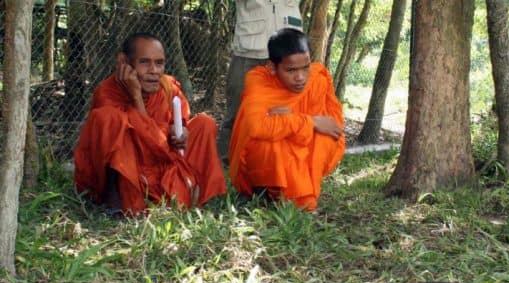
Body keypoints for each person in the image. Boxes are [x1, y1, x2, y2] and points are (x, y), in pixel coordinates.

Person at [73, 32, 226, 215]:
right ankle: (114, 202)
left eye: (159, 63)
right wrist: (137, 97)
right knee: (108, 118)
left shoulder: (168, 86)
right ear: (124, 62)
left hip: (165, 161)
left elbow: (179, 121)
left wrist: (182, 131)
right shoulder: (107, 93)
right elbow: (146, 142)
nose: (154, 70)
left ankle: (192, 190)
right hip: (134, 169)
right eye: (144, 62)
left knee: (204, 123)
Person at [228, 28, 345, 211]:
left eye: (305, 67)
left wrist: (289, 121)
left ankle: (297, 190)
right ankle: (266, 190)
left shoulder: (317, 80)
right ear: (272, 68)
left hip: (301, 146)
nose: (300, 77)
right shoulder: (258, 80)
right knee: (271, 143)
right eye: (290, 70)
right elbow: (256, 126)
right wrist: (310, 122)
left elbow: (332, 126)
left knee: (324, 139)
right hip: (268, 155)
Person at [216, 0, 303, 163]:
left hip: (286, 52)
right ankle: (224, 160)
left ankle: (275, 163)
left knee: (282, 111)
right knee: (237, 108)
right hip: (249, 51)